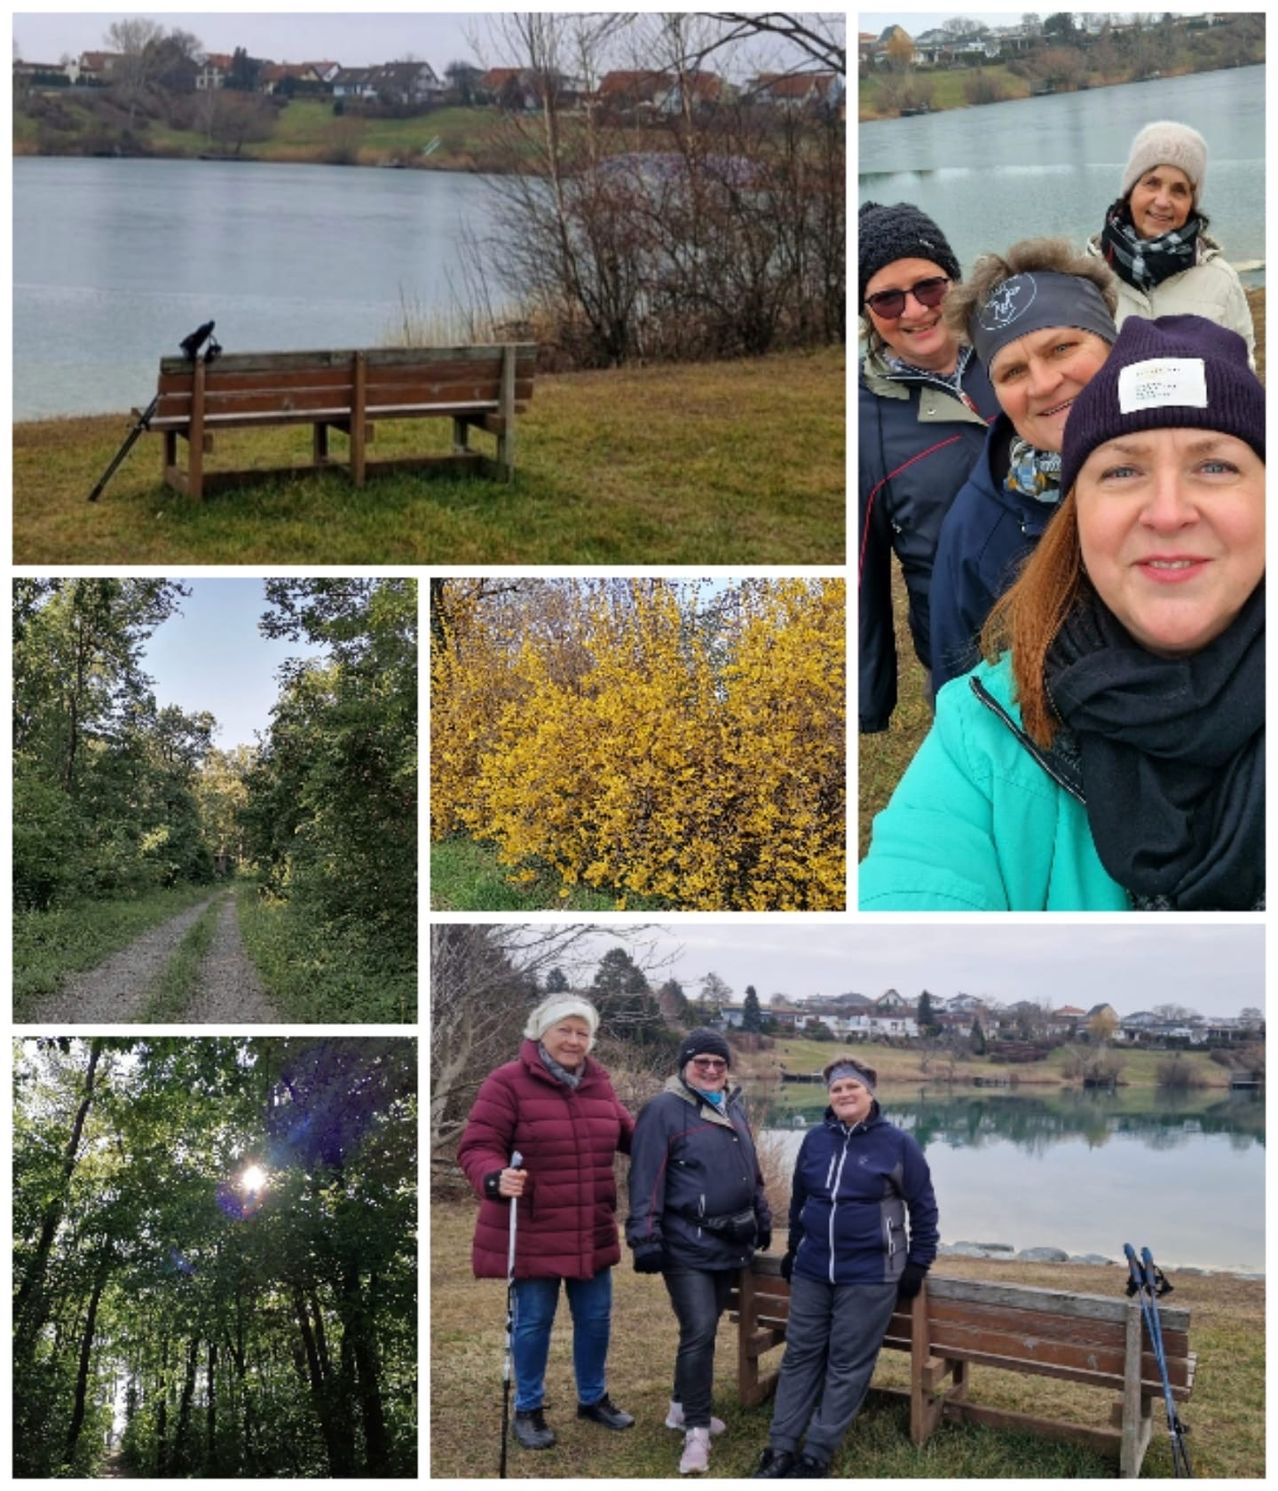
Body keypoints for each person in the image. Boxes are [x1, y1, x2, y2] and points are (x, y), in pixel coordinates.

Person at [861, 313, 1264, 912]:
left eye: (1215, 466)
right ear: (1074, 517)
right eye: (1122, 470)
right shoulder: (984, 734)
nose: (1168, 512)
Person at [929, 239, 1119, 692]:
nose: (1044, 384)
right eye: (1013, 371)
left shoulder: (1207, 456)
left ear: (1114, 344)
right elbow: (960, 703)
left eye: (1062, 348)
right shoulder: (974, 532)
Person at [458, 994, 636, 1452]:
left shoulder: (599, 1084)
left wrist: (682, 1137)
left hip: (590, 1225)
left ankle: (593, 1399)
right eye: (565, 1030)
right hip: (535, 1227)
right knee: (534, 1322)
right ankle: (529, 1408)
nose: (574, 1041)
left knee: (595, 1319)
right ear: (541, 1031)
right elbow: (477, 1146)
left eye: (583, 1033)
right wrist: (494, 1177)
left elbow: (632, 1136)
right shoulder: (507, 1082)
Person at [753, 1058, 938, 1479]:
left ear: (870, 1092)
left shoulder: (898, 1144)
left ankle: (817, 1453)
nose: (844, 1094)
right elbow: (801, 1200)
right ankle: (780, 1447)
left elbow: (923, 1207)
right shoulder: (816, 1140)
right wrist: (795, 1247)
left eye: (852, 1086)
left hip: (871, 1272)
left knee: (847, 1363)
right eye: (836, 1088)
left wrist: (918, 1261)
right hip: (814, 1268)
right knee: (799, 1354)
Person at [858, 200, 999, 732]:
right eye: (887, 299)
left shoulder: (1013, 352)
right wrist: (870, 697)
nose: (914, 311)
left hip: (1076, 624)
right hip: (965, 655)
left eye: (929, 288)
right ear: (867, 312)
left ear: (954, 283)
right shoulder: (864, 419)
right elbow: (864, 569)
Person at [627, 1029, 772, 1476]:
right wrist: (645, 1237)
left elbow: (750, 1170)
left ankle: (679, 1407)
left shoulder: (731, 1105)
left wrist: (762, 1215)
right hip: (684, 1243)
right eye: (701, 1062)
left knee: (701, 1331)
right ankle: (696, 1431)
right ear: (684, 1066)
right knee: (700, 1331)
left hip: (729, 1242)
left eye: (719, 1063)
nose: (711, 1070)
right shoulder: (663, 1110)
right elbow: (645, 1176)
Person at [1087, 119, 1255, 366]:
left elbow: (1242, 367)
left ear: (1191, 203)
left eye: (1179, 190)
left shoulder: (1221, 281)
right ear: (1131, 191)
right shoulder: (1087, 277)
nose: (1163, 201)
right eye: (1152, 183)